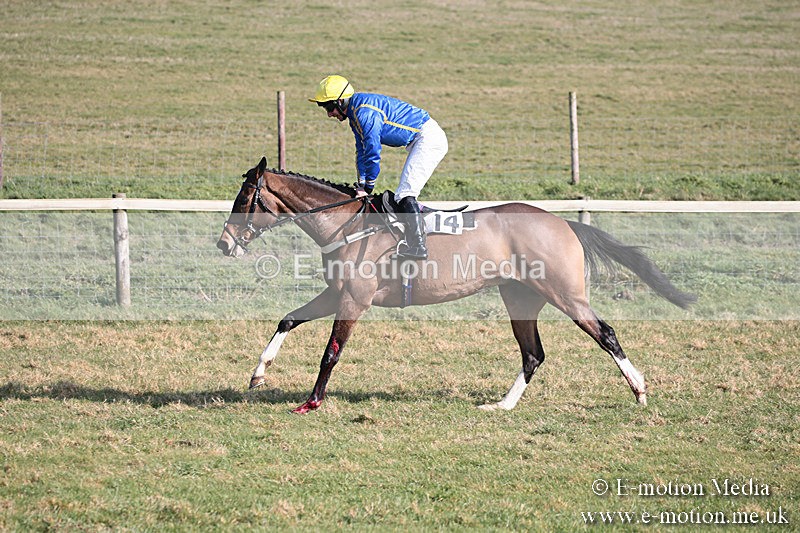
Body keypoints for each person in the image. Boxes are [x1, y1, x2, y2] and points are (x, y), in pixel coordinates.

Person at [309, 75, 448, 260]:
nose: (329, 114)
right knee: (403, 193)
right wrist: (361, 184)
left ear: (341, 101)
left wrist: (368, 187)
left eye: (328, 107)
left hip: (428, 138)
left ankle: (418, 247)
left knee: (405, 194)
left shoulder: (364, 113)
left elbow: (373, 152)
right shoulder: (355, 114)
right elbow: (361, 150)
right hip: (419, 139)